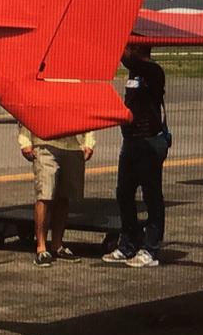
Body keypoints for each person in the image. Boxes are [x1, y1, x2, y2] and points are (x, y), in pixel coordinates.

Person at [105, 42, 168, 268]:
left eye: (129, 47)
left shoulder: (153, 70)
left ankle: (150, 248)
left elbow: (128, 60)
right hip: (131, 141)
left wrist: (115, 39)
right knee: (124, 193)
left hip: (150, 141)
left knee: (151, 194)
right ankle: (128, 243)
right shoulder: (134, 72)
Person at [18, 123, 96, 267]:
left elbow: (85, 109)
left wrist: (89, 142)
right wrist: (25, 141)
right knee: (44, 196)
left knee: (64, 196)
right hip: (44, 144)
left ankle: (57, 245)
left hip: (72, 146)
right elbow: (29, 109)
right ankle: (41, 248)